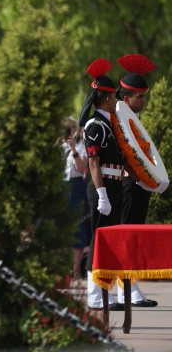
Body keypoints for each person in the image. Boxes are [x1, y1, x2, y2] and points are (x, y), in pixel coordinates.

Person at [79, 58, 125, 310]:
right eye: (114, 98)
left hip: (112, 186)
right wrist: (102, 194)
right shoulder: (95, 125)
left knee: (110, 242)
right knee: (98, 241)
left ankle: (105, 293)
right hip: (102, 187)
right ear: (107, 99)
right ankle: (95, 296)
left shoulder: (108, 124)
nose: (116, 101)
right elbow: (94, 163)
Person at [113, 54, 158, 307]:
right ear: (125, 98)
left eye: (143, 95)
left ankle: (132, 286)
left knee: (135, 236)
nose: (143, 100)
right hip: (128, 184)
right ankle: (123, 288)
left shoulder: (132, 120)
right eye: (139, 96)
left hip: (139, 183)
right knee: (127, 235)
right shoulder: (118, 121)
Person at [58, 117, 90, 281]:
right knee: (61, 227)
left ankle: (76, 270)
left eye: (68, 130)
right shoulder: (58, 147)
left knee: (77, 227)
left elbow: (81, 167)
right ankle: (63, 270)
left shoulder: (80, 146)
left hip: (76, 186)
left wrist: (73, 149)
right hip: (60, 187)